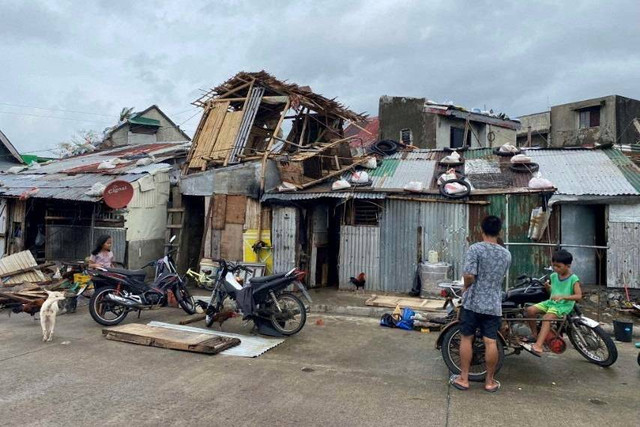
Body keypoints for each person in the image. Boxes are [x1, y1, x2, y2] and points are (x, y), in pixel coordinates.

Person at [450, 216, 511, 393]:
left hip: (474, 302)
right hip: (493, 304)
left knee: (467, 338)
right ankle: (490, 381)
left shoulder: (475, 249)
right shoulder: (506, 254)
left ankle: (464, 378)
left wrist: (465, 288)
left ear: (481, 230)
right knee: (490, 341)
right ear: (499, 232)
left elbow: (469, 275)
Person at [522, 250, 582, 356]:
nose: (555, 268)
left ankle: (538, 346)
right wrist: (549, 288)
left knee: (546, 318)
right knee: (529, 310)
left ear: (568, 266)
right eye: (554, 266)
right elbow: (554, 292)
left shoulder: (573, 279)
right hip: (552, 303)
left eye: (558, 266)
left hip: (564, 305)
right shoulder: (554, 276)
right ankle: (535, 334)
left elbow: (578, 296)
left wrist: (563, 297)